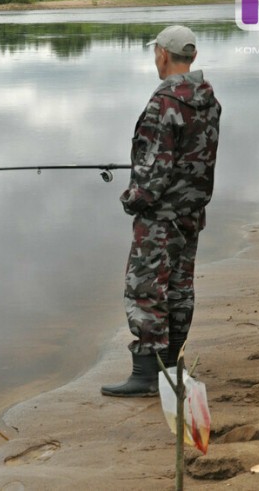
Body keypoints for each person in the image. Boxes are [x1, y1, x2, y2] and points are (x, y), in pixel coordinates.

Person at [101, 25, 222, 397]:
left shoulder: (164, 103)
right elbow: (193, 157)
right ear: (193, 57)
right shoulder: (208, 99)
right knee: (180, 288)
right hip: (192, 213)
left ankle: (146, 375)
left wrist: (131, 199)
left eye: (156, 52)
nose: (156, 58)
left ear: (163, 55)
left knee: (145, 288)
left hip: (160, 218)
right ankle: (171, 365)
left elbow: (154, 174)